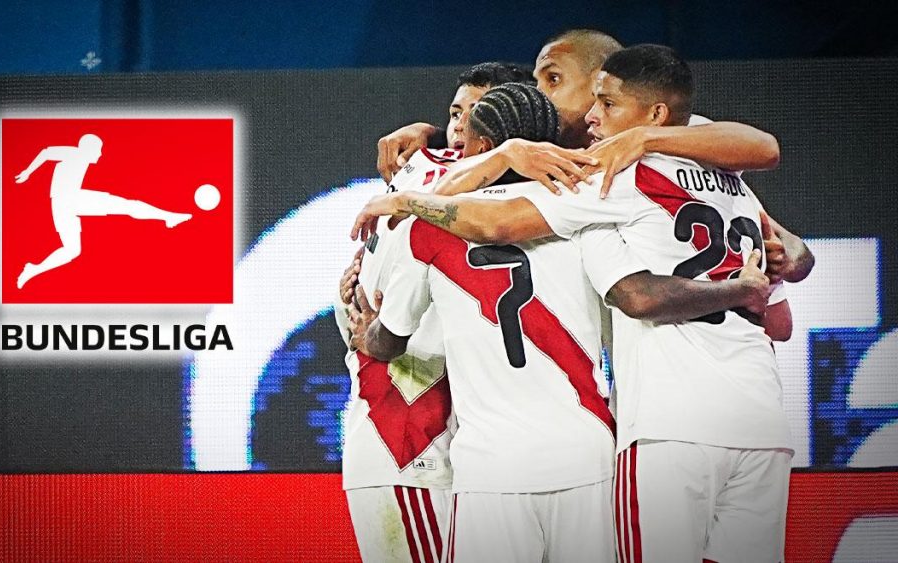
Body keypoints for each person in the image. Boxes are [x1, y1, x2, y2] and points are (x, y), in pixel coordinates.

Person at [351, 45, 813, 563]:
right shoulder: (720, 169)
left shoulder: (603, 181)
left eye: (598, 99)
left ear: (649, 109)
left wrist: (407, 200)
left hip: (654, 426)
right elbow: (782, 308)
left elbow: (501, 226)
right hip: (739, 421)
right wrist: (781, 266)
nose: (590, 113)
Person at [335, 62, 532, 563]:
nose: (460, 128)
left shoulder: (429, 176)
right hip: (411, 437)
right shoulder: (437, 189)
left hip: (452, 442)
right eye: (455, 113)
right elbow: (378, 325)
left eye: (477, 115)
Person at [376, 29, 780, 197]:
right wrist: (430, 133)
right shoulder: (532, 146)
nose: (538, 94)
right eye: (536, 82)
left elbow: (764, 148)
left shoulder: (671, 137)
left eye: (553, 79)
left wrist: (642, 139)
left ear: (601, 83)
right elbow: (467, 150)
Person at [13, 133, 192, 289]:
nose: (100, 154)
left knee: (72, 250)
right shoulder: (75, 153)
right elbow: (46, 152)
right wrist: (28, 172)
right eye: (98, 150)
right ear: (88, 148)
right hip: (71, 198)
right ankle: (167, 217)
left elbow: (47, 154)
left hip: (62, 205)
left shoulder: (79, 157)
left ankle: (33, 269)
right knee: (127, 206)